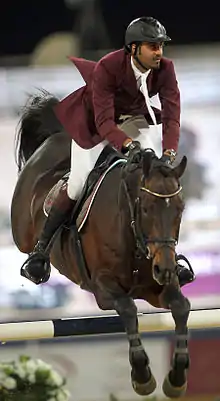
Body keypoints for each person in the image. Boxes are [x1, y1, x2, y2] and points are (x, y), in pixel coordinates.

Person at [21, 16, 195, 286]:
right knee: (77, 185)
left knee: (155, 183)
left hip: (134, 119)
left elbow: (172, 117)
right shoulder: (108, 67)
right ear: (133, 49)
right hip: (94, 125)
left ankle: (169, 254)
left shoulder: (166, 69)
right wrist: (128, 146)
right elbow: (104, 122)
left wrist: (169, 153)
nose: (159, 52)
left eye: (161, 45)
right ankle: (41, 252)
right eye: (152, 46)